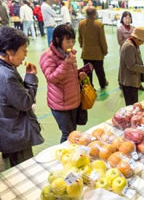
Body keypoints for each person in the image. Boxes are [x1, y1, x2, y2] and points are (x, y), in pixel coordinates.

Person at [0, 26, 44, 166]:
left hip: (6, 126)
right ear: (9, 51)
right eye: (23, 50)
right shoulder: (7, 76)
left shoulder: (6, 68)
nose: (25, 54)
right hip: (15, 132)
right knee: (24, 166)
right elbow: (25, 103)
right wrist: (31, 78)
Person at [40, 24, 87, 143]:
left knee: (73, 132)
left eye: (73, 41)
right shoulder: (48, 56)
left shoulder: (69, 54)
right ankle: (64, 158)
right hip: (60, 103)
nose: (71, 44)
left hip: (73, 100)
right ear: (57, 39)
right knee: (68, 134)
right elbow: (51, 78)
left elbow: (67, 74)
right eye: (68, 41)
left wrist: (78, 75)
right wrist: (66, 63)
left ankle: (73, 156)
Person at [118, 27, 144, 106]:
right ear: (137, 39)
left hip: (132, 81)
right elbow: (131, 66)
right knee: (131, 106)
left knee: (133, 104)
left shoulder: (133, 44)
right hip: (129, 82)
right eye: (143, 41)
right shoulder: (129, 46)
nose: (143, 43)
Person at [78, 7, 108, 90]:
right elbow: (102, 40)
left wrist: (82, 46)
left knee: (88, 72)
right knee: (100, 71)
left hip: (86, 53)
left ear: (86, 14)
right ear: (95, 13)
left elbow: (80, 38)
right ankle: (103, 84)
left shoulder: (81, 23)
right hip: (97, 53)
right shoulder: (99, 24)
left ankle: (91, 86)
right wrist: (105, 50)